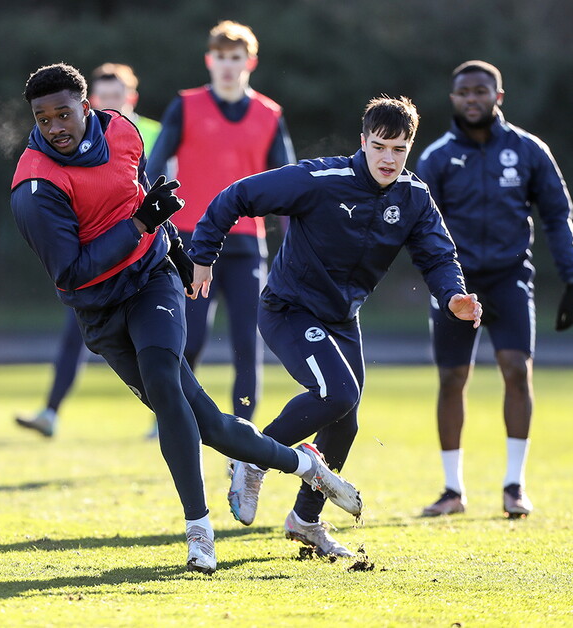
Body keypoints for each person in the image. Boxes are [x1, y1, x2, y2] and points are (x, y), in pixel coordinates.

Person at [10, 63, 362, 574]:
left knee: (165, 384)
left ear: (87, 108)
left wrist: (177, 255)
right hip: (99, 309)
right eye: (43, 120)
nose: (55, 128)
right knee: (212, 426)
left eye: (63, 114)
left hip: (153, 281)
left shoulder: (124, 131)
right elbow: (72, 272)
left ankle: (199, 531)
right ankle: (308, 465)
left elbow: (146, 201)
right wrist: (139, 224)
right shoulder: (34, 188)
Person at [188, 96, 482, 558]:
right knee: (339, 393)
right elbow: (237, 196)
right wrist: (203, 255)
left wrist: (454, 296)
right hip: (289, 308)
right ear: (362, 141)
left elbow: (439, 255)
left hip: (342, 319)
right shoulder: (320, 179)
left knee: (345, 425)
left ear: (410, 148)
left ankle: (305, 520)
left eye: (399, 149)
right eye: (380, 146)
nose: (389, 159)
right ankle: (252, 456)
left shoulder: (413, 197)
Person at [414, 60, 573, 518]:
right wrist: (436, 279)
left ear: (498, 97)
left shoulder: (529, 151)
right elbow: (418, 225)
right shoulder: (437, 157)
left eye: (481, 91)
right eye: (464, 93)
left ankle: (514, 485)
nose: (473, 99)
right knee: (452, 377)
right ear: (453, 100)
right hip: (457, 282)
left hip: (510, 279)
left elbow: (556, 214)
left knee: (515, 370)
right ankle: (452, 490)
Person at [145, 20, 295, 430]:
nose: (228, 66)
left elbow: (289, 185)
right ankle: (172, 416)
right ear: (209, 61)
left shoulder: (269, 114)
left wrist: (297, 236)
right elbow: (154, 167)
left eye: (236, 58)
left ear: (251, 62)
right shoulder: (186, 106)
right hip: (193, 243)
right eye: (221, 58)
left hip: (248, 245)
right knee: (188, 340)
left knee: (248, 344)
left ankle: (243, 433)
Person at [15, 62, 161, 438]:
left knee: (161, 345)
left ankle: (166, 414)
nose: (109, 104)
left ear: (132, 98)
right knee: (74, 334)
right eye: (103, 97)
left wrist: (171, 242)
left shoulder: (147, 132)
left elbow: (157, 189)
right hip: (95, 265)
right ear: (89, 101)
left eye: (117, 97)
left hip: (145, 258)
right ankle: (51, 411)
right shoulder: (60, 146)